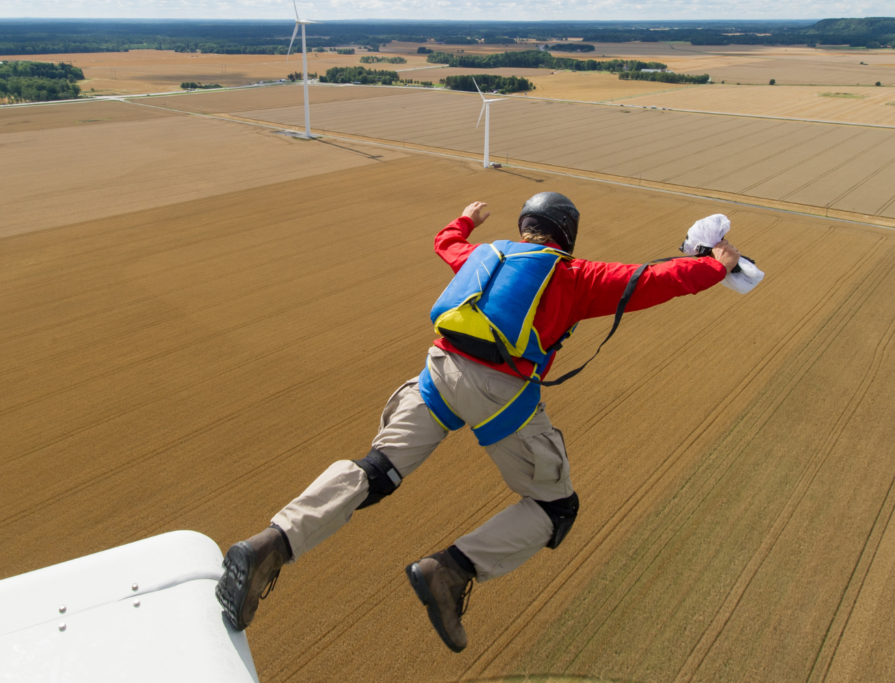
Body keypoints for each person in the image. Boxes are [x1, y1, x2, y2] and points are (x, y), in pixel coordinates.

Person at [215, 192, 739, 652]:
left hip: (438, 373)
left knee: (376, 469)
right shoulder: (575, 275)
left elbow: (445, 243)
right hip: (501, 396)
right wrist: (717, 265)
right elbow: (656, 279)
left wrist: (465, 220)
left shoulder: (484, 257)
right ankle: (450, 570)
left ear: (525, 228)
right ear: (567, 235)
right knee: (555, 508)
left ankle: (270, 543)